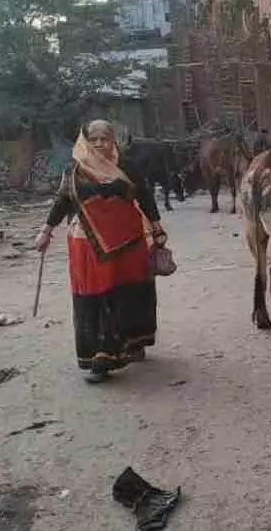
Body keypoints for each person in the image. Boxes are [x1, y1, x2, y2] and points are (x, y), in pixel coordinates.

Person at [35, 119, 167, 383]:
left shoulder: (126, 166)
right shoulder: (75, 169)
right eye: (93, 139)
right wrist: (46, 231)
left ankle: (130, 342)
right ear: (85, 141)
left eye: (104, 138)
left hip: (128, 242)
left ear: (112, 140)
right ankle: (100, 355)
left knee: (126, 294)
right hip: (87, 243)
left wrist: (156, 227)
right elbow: (63, 201)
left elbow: (144, 196)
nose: (99, 144)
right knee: (94, 297)